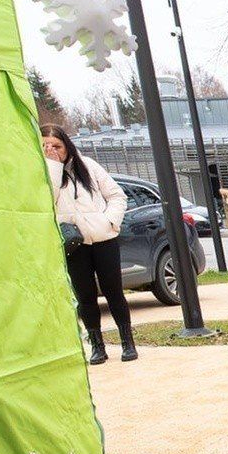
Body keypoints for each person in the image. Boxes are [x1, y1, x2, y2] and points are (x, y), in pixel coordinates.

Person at [41, 124, 134, 365]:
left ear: (67, 145)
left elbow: (117, 195)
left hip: (103, 238)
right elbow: (46, 202)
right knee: (85, 296)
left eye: (57, 146)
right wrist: (53, 166)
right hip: (74, 242)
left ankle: (127, 342)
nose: (52, 150)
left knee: (114, 291)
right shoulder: (42, 172)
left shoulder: (88, 166)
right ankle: (97, 346)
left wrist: (110, 221)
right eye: (45, 146)